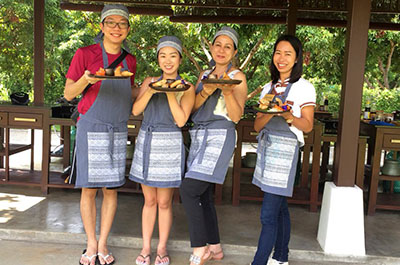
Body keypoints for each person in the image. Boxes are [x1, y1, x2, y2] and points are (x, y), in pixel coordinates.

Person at [64, 4, 137, 265]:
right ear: (102, 26)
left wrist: (154, 87)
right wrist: (87, 80)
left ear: (128, 29)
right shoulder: (85, 53)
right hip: (91, 125)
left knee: (110, 189)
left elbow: (130, 92)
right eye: (111, 22)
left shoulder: (130, 60)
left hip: (117, 127)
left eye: (122, 23)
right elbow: (69, 93)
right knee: (89, 189)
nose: (117, 28)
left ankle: (103, 242)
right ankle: (91, 243)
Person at [180, 26, 248, 265]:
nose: (222, 50)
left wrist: (228, 92)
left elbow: (237, 116)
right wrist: (206, 90)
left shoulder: (238, 76)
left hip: (220, 135)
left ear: (234, 52)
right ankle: (215, 247)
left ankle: (200, 249)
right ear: (211, 47)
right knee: (205, 194)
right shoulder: (203, 75)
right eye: (218, 45)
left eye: (227, 46)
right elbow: (194, 108)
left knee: (189, 190)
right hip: (199, 135)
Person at [129, 36, 195, 265]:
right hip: (147, 139)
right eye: (163, 56)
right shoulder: (149, 81)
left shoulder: (187, 87)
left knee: (165, 202)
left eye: (173, 55)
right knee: (149, 201)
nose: (168, 61)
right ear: (158, 59)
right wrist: (150, 90)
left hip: (170, 143)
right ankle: (146, 248)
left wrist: (169, 92)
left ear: (180, 59)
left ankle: (162, 249)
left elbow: (180, 120)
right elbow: (137, 110)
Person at [250, 35, 316, 265]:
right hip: (267, 148)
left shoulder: (304, 88)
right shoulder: (268, 88)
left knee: (268, 213)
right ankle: (281, 257)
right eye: (278, 52)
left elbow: (307, 126)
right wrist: (268, 111)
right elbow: (257, 125)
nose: (282, 58)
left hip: (286, 151)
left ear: (297, 58)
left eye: (288, 53)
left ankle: (258, 261)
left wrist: (289, 116)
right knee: (279, 207)